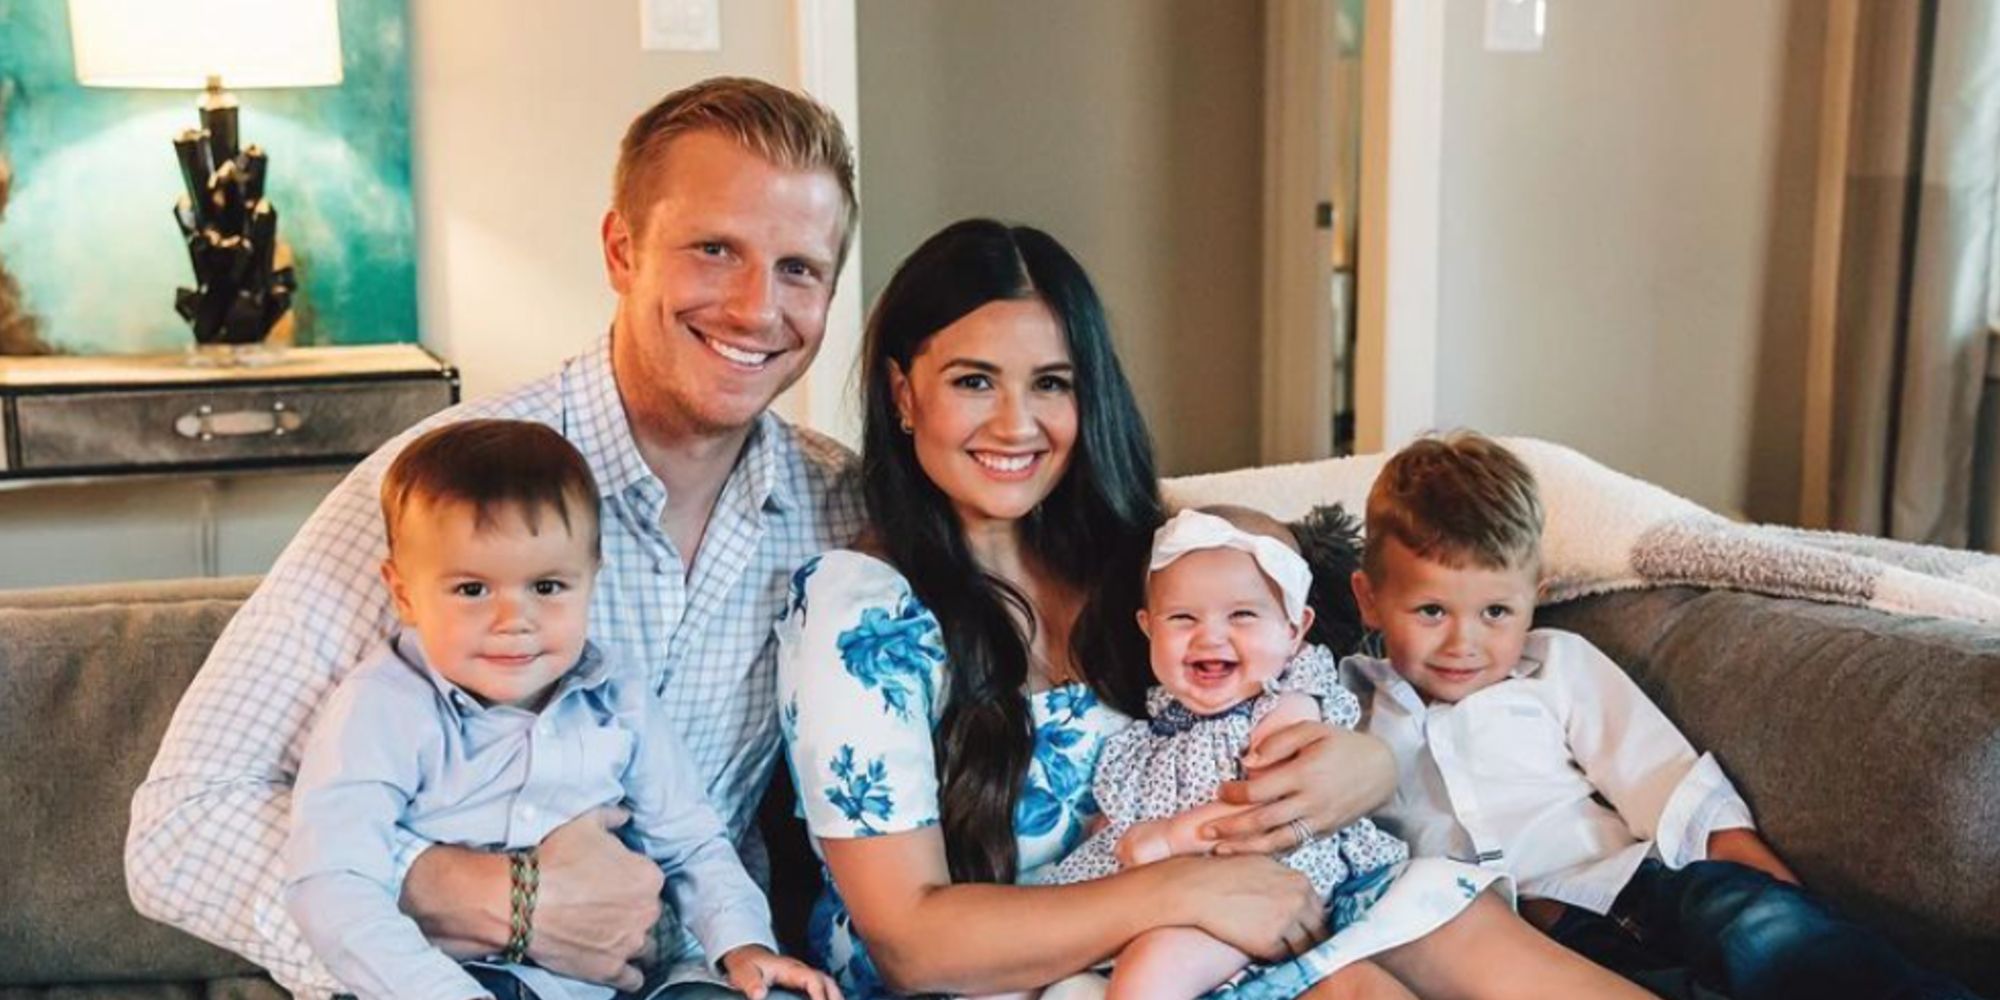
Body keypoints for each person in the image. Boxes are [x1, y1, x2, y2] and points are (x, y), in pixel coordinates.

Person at [776, 218, 1652, 1000]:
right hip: (1028, 969)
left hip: (1242, 910)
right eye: (974, 381)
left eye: (1051, 383)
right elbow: (910, 944)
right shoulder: (860, 612)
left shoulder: (1155, 559)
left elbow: (1310, 681)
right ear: (902, 393)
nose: (1018, 423)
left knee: (1442, 917)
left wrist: (1365, 767)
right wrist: (1182, 891)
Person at [127, 77, 867, 998]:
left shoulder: (841, 515)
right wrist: (486, 897)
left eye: (799, 268)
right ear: (621, 250)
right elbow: (182, 824)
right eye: (714, 249)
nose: (759, 308)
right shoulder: (441, 496)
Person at [1344, 430, 1979, 1000]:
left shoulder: (1556, 669)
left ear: (1534, 601)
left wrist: (1764, 881)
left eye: (1496, 613)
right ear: (1369, 600)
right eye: (1431, 612)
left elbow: (1657, 776)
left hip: (1633, 885)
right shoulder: (1347, 708)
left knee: (1773, 940)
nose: (1464, 644)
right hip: (1522, 956)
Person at [283, 419, 839, 1000]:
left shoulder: (616, 694)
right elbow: (332, 881)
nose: (513, 621)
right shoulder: (382, 709)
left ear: (590, 580)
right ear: (403, 593)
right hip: (440, 979)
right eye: (472, 590)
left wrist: (743, 944)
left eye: (547, 587)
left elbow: (690, 841)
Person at [1038, 507, 1427, 1000]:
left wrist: (1169, 836)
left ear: (1294, 629)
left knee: (1150, 971)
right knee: (1020, 971)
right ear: (1147, 628)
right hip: (1161, 887)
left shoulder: (1286, 704)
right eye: (1182, 617)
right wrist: (1113, 828)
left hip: (1264, 883)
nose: (1210, 635)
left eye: (1242, 614)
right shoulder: (1158, 727)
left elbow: (1267, 807)